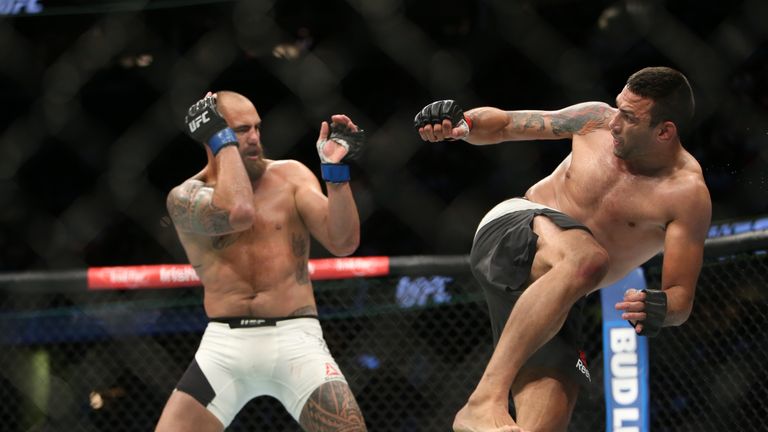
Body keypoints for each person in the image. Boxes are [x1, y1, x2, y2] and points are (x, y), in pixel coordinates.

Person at [414, 66, 711, 432]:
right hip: (514, 229)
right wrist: (463, 124)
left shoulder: (686, 195)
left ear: (665, 131)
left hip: (559, 296)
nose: (615, 122)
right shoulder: (593, 121)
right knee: (589, 259)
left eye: (630, 117)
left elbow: (680, 299)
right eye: (618, 107)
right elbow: (508, 124)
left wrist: (659, 308)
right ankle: (484, 400)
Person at [156, 91, 368, 432]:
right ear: (214, 135)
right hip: (224, 347)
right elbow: (238, 212)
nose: (254, 138)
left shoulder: (291, 177)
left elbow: (343, 243)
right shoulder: (186, 197)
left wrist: (335, 172)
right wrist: (221, 139)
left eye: (257, 128)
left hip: (295, 338)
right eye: (241, 130)